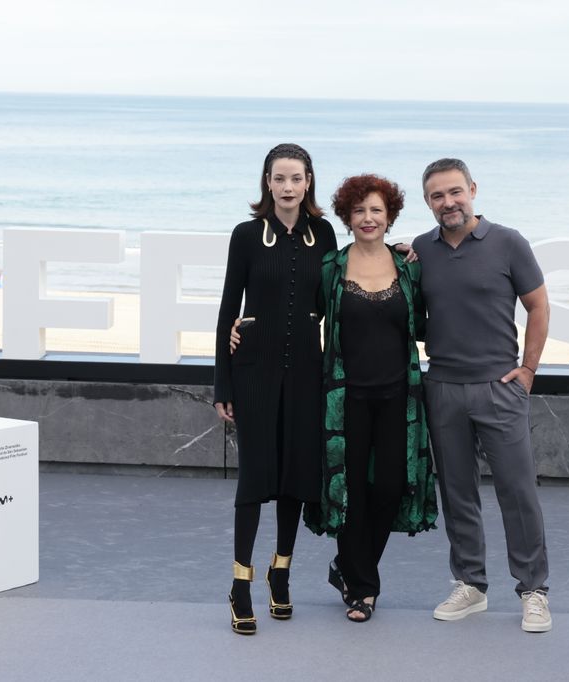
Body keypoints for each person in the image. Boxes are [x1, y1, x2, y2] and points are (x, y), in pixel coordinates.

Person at [413, 158, 553, 633]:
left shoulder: (509, 242)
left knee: (518, 492)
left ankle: (533, 590)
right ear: (427, 201)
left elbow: (538, 305)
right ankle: (470, 584)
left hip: (499, 387)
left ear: (472, 189)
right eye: (437, 196)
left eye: (455, 192)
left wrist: (529, 369)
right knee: (457, 493)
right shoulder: (419, 250)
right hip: (443, 388)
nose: (448, 202)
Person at [213, 143, 337, 635]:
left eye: (297, 178)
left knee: (296, 479)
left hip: (308, 373)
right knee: (254, 479)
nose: (288, 187)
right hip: (254, 373)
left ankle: (279, 571)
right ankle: (240, 582)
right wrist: (222, 380)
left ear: (309, 182)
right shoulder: (245, 236)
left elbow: (337, 295)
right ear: (267, 181)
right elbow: (227, 310)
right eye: (279, 178)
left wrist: (394, 253)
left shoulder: (323, 234)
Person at [303, 174, 437, 622]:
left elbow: (424, 324)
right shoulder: (330, 268)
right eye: (359, 210)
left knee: (392, 486)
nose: (368, 218)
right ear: (347, 217)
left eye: (376, 210)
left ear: (389, 216)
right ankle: (364, 588)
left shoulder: (409, 266)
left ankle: (348, 567)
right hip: (345, 400)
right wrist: (241, 330)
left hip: (400, 396)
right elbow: (302, 319)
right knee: (351, 490)